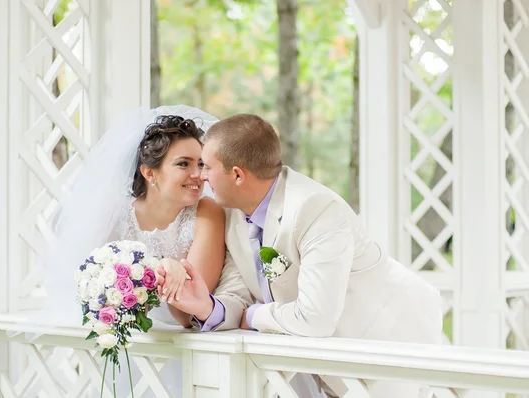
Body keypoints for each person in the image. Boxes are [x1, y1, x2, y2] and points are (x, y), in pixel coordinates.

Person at [158, 113, 443, 397]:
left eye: (207, 166)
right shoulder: (232, 212)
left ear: (237, 175)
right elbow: (238, 292)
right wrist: (206, 306)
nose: (201, 175)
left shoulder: (316, 209)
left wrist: (255, 315)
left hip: (388, 345)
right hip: (331, 361)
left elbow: (315, 318)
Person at [41, 105, 225, 397]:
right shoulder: (117, 213)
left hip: (188, 344)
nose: (198, 174)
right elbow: (94, 282)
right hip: (132, 341)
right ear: (149, 172)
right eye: (184, 164)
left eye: (201, 164)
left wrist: (162, 269)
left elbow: (187, 313)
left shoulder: (208, 212)